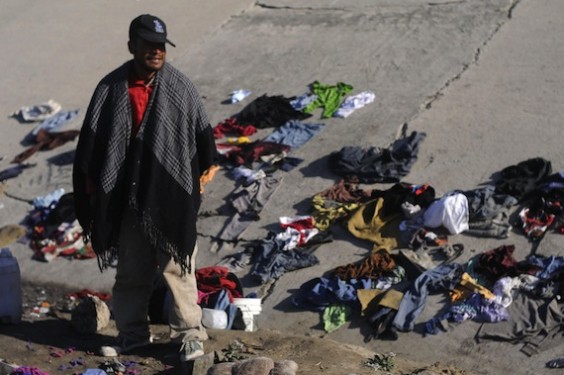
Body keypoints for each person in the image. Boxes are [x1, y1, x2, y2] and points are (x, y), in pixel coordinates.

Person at [72, 14, 218, 362]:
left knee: (177, 270)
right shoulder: (110, 88)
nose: (156, 52)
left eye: (161, 46)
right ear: (131, 46)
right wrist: (94, 199)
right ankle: (132, 335)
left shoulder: (180, 88)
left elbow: (202, 140)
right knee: (131, 274)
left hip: (170, 197)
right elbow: (92, 148)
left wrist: (197, 182)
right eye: (149, 45)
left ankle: (189, 335)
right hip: (128, 200)